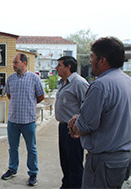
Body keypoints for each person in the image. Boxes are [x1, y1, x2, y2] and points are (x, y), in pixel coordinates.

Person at [68, 37, 131, 188]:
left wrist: (74, 126)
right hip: (122, 159)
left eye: (92, 57)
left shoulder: (100, 85)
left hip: (103, 161)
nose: (90, 61)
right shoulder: (126, 81)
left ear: (102, 61)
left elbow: (85, 126)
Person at [1, 53, 45, 186]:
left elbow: (41, 96)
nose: (13, 65)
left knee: (31, 148)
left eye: (16, 62)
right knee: (12, 147)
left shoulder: (34, 78)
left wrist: (29, 105)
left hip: (28, 121)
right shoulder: (11, 78)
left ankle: (33, 173)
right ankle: (12, 169)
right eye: (13, 62)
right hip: (13, 120)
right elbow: (9, 94)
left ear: (24, 63)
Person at [55, 56, 89, 188]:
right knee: (65, 160)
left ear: (68, 67)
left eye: (59, 65)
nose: (57, 68)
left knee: (74, 162)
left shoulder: (79, 83)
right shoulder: (63, 82)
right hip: (63, 127)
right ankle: (67, 184)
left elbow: (88, 107)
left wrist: (79, 126)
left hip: (74, 130)